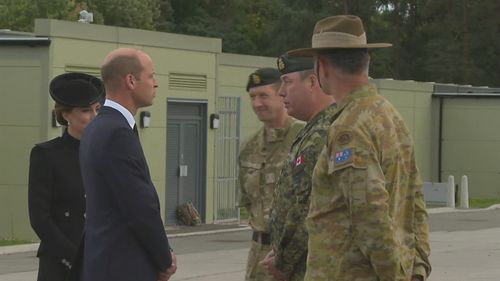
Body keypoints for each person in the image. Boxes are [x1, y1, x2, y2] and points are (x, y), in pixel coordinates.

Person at [287, 15, 431, 281]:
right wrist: (419, 267)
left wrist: (394, 276)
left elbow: (369, 214)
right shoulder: (389, 114)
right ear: (367, 61)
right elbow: (415, 201)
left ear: (322, 66)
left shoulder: (348, 128)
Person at [79, 48, 176, 281]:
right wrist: (164, 259)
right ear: (131, 81)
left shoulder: (97, 127)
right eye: (151, 76)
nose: (156, 83)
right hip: (122, 267)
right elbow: (139, 208)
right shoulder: (116, 133)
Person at [260, 54, 336, 281]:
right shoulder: (313, 129)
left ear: (312, 82)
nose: (281, 91)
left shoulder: (325, 133)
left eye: (287, 82)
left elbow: (308, 210)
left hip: (311, 268)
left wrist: (283, 262)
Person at [28, 72, 104, 281]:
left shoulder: (107, 154)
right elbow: (39, 217)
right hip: (60, 262)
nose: (94, 117)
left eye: (97, 109)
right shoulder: (46, 155)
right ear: (66, 115)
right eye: (85, 110)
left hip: (101, 258)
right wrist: (74, 256)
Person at [239, 67, 304, 281]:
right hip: (258, 255)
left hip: (296, 257)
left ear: (281, 94)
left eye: (264, 96)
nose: (257, 104)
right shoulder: (249, 147)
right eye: (253, 97)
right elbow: (249, 202)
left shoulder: (305, 138)